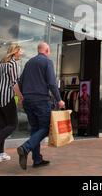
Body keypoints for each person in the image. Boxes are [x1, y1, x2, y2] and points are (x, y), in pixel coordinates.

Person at [16, 42, 65, 170]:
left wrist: (21, 97)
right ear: (47, 50)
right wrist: (59, 100)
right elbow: (52, 83)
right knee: (44, 128)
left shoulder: (29, 63)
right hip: (41, 100)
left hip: (28, 101)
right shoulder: (47, 62)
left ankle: (37, 159)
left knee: (35, 129)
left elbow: (20, 82)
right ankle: (25, 148)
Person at [0, 44, 24, 163]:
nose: (21, 53)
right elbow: (13, 83)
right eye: (20, 51)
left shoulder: (1, 63)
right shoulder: (13, 64)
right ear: (15, 52)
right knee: (13, 124)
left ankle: (0, 153)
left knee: (2, 125)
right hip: (6, 97)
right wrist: (21, 97)